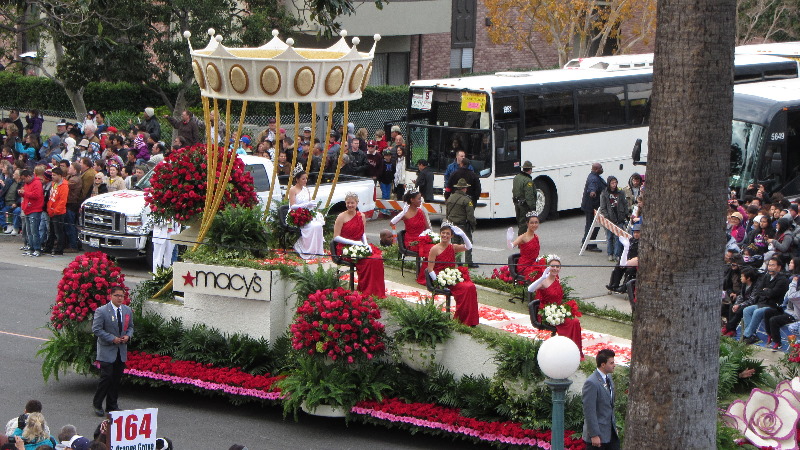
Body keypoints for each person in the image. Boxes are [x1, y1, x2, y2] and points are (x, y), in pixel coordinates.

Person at [527, 255, 583, 357]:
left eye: (557, 267)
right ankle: (564, 350)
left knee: (575, 322)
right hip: (546, 313)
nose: (555, 268)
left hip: (557, 311)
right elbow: (530, 289)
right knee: (572, 322)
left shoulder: (557, 279)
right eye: (553, 266)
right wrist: (542, 277)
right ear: (548, 267)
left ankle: (572, 350)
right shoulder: (544, 281)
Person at [333, 192, 385, 298]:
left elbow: (362, 233)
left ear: (357, 203)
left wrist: (365, 244)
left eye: (352, 203)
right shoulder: (341, 217)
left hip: (359, 245)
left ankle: (376, 291)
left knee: (377, 258)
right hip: (345, 248)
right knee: (368, 261)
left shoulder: (361, 216)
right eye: (348, 203)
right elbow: (336, 237)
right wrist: (353, 242)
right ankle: (366, 290)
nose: (350, 205)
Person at [426, 222, 479, 326]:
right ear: (440, 234)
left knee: (471, 286)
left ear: (451, 236)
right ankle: (462, 319)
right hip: (442, 279)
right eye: (443, 233)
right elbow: (430, 269)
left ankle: (469, 319)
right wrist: (438, 282)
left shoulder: (453, 247)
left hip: (453, 278)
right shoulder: (434, 249)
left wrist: (463, 234)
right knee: (466, 288)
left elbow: (469, 246)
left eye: (448, 233)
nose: (445, 235)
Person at [92, 286, 134, 416]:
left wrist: (128, 336)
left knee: (116, 379)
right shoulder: (102, 311)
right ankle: (97, 404)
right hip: (106, 350)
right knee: (107, 377)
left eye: (122, 296)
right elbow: (96, 329)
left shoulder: (127, 310)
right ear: (111, 296)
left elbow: (130, 327)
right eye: (117, 295)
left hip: (120, 351)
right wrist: (112, 338)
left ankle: (112, 405)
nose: (120, 298)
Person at [741, 256, 789, 345]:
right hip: (763, 303)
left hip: (774, 306)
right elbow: (759, 291)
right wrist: (766, 291)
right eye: (769, 265)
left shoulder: (783, 280)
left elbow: (773, 293)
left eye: (773, 265)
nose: (770, 267)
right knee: (746, 310)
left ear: (779, 267)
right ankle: (752, 335)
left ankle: (746, 335)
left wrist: (766, 291)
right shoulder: (766, 277)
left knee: (757, 312)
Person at [390, 190, 433, 285]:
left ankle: (432, 275)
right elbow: (392, 223)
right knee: (432, 250)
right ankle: (423, 277)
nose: (421, 201)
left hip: (422, 239)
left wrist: (427, 235)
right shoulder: (405, 213)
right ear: (412, 200)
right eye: (419, 199)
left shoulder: (421, 211)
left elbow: (428, 228)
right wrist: (402, 213)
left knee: (438, 248)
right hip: (411, 242)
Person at [582, 348, 619, 449]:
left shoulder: (609, 378)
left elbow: (610, 406)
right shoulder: (591, 383)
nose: (614, 365)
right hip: (598, 437)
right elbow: (589, 411)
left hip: (610, 434)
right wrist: (594, 435)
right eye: (611, 363)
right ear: (603, 364)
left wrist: (613, 427)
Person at [764, 257, 800, 349]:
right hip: (786, 309)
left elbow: (792, 296)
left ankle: (777, 342)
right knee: (768, 312)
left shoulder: (794, 283)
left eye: (792, 263)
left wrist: (794, 282)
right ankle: (770, 335)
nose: (789, 264)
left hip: (795, 314)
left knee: (774, 320)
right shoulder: (790, 278)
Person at [288, 171, 324, 259]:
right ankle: (304, 247)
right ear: (297, 179)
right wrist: (305, 205)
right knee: (312, 226)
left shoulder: (306, 189)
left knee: (318, 225)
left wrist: (311, 205)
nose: (305, 181)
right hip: (297, 214)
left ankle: (317, 250)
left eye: (306, 179)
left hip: (307, 213)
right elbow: (292, 206)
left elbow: (309, 201)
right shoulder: (293, 189)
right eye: (303, 179)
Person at [445, 178, 477, 268]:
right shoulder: (466, 200)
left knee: (455, 243)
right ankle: (468, 261)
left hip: (452, 224)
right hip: (463, 225)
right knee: (468, 242)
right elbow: (470, 215)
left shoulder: (450, 198)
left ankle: (457, 261)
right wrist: (473, 224)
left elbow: (447, 213)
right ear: (464, 188)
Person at [723, 266, 759, 337]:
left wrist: (739, 305)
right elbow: (741, 296)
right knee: (731, 307)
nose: (740, 278)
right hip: (743, 303)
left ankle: (728, 326)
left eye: (742, 276)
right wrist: (736, 304)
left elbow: (752, 300)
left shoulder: (755, 286)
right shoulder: (744, 285)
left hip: (752, 304)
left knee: (740, 310)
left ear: (748, 278)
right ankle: (732, 330)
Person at [599, 176, 628, 262]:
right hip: (609, 218)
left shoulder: (620, 192)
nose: (614, 185)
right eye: (612, 183)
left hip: (619, 217)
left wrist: (625, 214)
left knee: (618, 237)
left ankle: (617, 254)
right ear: (609, 184)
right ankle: (610, 253)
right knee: (609, 237)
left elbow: (625, 203)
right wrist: (606, 217)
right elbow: (603, 207)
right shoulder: (604, 193)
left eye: (615, 183)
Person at [605, 224, 640, 293]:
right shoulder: (631, 240)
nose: (636, 234)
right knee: (618, 267)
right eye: (634, 232)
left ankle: (624, 287)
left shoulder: (642, 243)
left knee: (630, 271)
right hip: (628, 259)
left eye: (638, 233)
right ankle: (614, 285)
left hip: (636, 262)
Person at [581, 163, 606, 252]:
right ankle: (590, 244)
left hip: (590, 206)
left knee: (590, 225)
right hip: (592, 206)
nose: (602, 169)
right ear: (596, 169)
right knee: (593, 225)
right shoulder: (594, 179)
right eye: (600, 168)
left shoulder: (594, 176)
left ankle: (586, 242)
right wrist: (592, 192)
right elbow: (592, 187)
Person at [19, 169, 43, 257]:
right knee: (28, 231)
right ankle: (31, 248)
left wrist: (25, 193)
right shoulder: (27, 184)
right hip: (27, 209)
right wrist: (22, 193)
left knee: (34, 231)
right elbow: (27, 195)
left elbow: (36, 195)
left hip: (35, 209)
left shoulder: (37, 183)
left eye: (24, 178)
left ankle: (37, 249)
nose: (23, 181)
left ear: (29, 176)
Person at [46, 167, 68, 256]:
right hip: (52, 211)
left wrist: (56, 210)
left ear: (60, 175)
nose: (52, 177)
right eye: (52, 175)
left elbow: (63, 201)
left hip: (58, 213)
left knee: (58, 232)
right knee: (51, 231)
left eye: (54, 175)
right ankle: (48, 247)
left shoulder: (64, 186)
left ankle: (59, 249)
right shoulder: (54, 184)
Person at [512, 161, 537, 235]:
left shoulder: (517, 177)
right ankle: (521, 240)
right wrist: (532, 207)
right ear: (530, 170)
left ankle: (522, 238)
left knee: (520, 222)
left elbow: (514, 190)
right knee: (523, 224)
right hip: (524, 205)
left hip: (517, 203)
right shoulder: (528, 181)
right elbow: (529, 195)